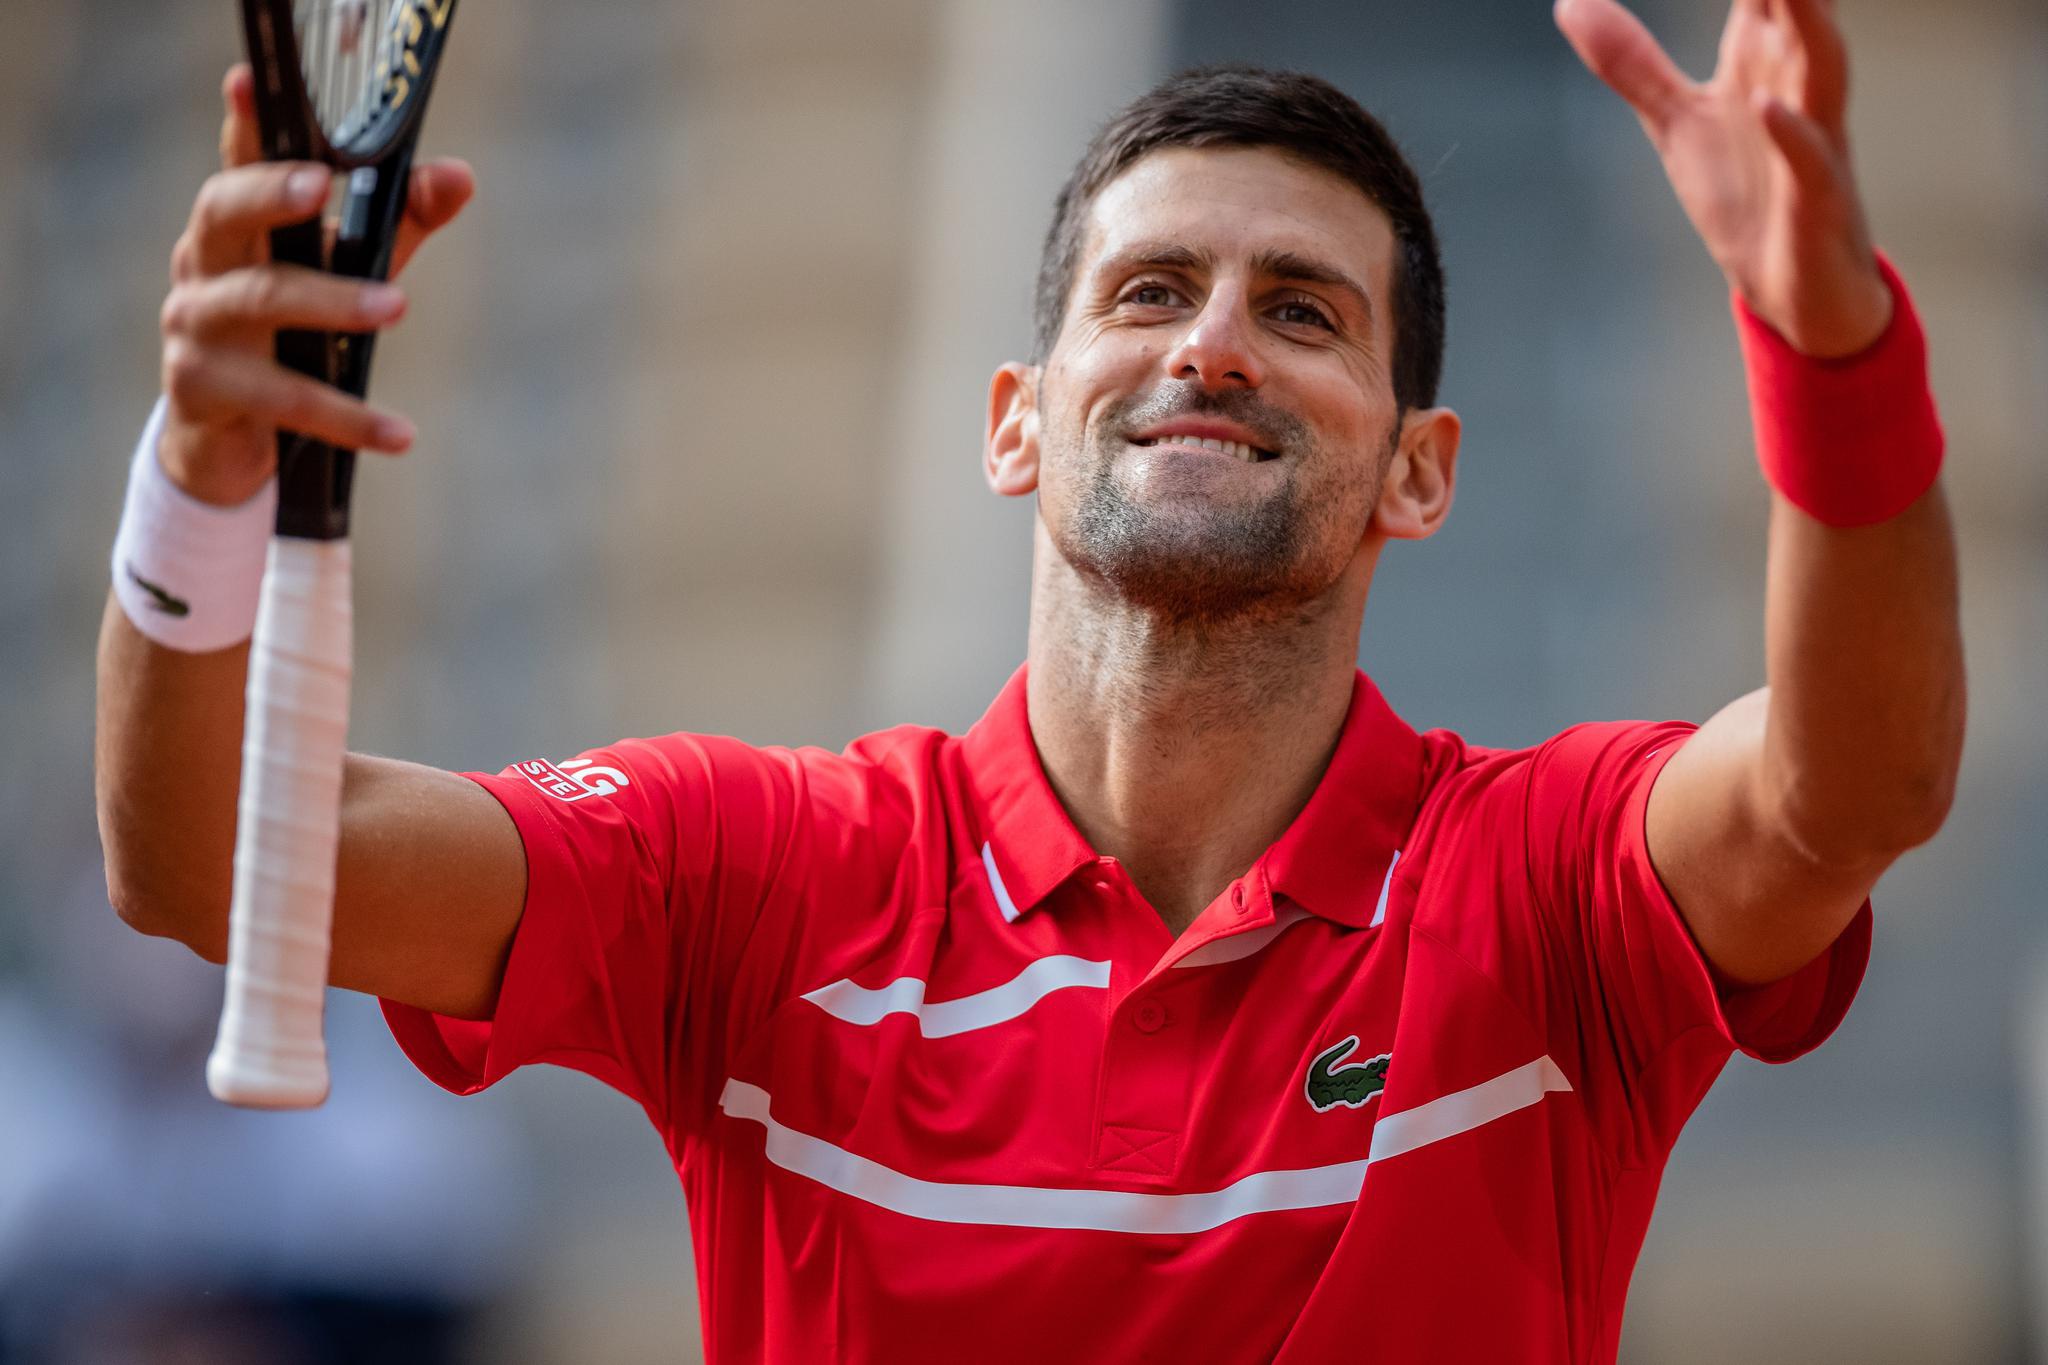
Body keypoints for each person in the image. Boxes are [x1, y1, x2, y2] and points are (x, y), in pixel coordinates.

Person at [96, 0, 1963, 1359]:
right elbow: (205, 864)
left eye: (1302, 310)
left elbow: (1850, 788)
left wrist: (1833, 350)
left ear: (1421, 469)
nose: (1214, 346)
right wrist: (198, 479)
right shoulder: (761, 872)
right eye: (1149, 291)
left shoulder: (1546, 882)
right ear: (1017, 422)